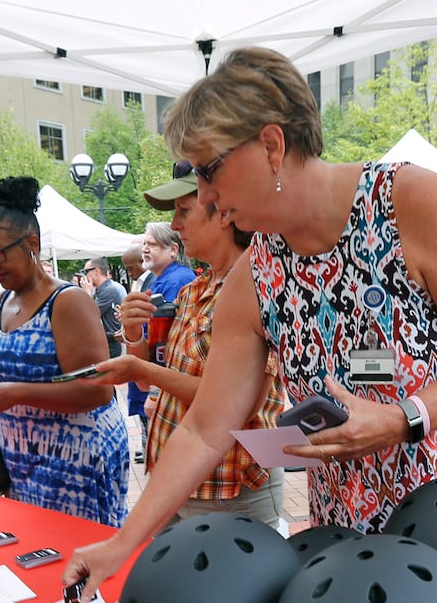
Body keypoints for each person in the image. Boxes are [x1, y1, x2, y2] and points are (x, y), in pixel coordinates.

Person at [64, 47, 437, 599]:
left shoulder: (409, 202)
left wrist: (403, 418)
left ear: (271, 144)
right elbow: (203, 428)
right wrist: (122, 544)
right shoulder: (256, 274)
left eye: (210, 169)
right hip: (349, 539)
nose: (205, 195)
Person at [88, 163, 286, 526]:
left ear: (224, 213)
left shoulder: (259, 288)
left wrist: (141, 369)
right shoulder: (195, 289)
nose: (175, 226)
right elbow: (150, 383)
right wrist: (133, 334)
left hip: (229, 491)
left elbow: (240, 404)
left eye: (183, 211)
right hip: (180, 480)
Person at [0, 176, 129, 525]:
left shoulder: (66, 301)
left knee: (74, 563)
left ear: (32, 243)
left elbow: (98, 389)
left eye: (1, 252)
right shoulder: (0, 301)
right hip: (19, 457)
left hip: (77, 458)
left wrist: (19, 394)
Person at [128, 224, 196, 461]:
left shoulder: (177, 279)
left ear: (173, 249)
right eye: (144, 244)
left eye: (152, 244)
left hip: (166, 389)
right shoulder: (162, 278)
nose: (145, 249)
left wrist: (156, 393)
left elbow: (167, 343)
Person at [82, 256, 127, 356]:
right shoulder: (102, 289)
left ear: (96, 271)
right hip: (109, 340)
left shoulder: (109, 290)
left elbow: (90, 315)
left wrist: (87, 294)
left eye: (86, 272)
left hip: (113, 342)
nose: (84, 276)